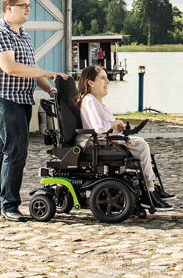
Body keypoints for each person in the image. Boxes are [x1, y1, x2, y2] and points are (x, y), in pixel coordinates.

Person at [0, 0, 69, 221]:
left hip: (22, 99)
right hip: (3, 98)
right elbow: (11, 68)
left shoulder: (23, 35)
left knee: (3, 149)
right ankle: (9, 205)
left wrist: (50, 89)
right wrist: (48, 73)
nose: (28, 9)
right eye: (23, 6)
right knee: (16, 150)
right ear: (9, 9)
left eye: (29, 5)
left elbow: (30, 69)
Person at [75, 66, 175, 211]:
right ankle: (149, 191)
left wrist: (116, 127)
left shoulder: (95, 102)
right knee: (141, 145)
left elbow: (102, 126)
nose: (107, 81)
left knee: (142, 148)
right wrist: (114, 123)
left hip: (103, 140)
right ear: (90, 82)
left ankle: (151, 188)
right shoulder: (89, 100)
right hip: (97, 144)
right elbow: (98, 128)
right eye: (102, 78)